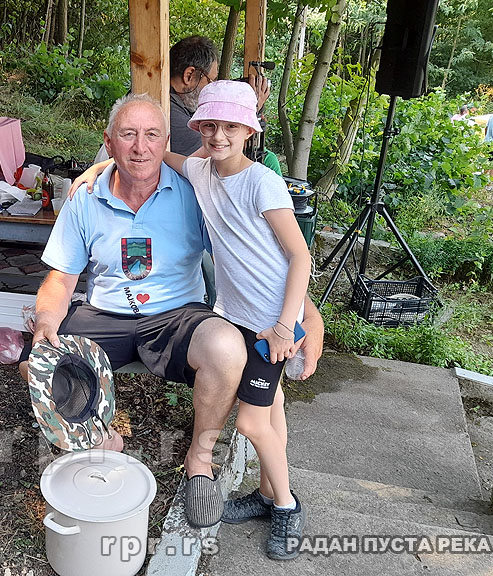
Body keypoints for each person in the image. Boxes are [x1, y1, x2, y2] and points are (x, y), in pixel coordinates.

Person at [71, 83, 310, 559]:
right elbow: (150, 157)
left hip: (269, 324)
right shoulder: (202, 171)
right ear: (198, 127)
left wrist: (291, 323)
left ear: (249, 131)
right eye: (211, 126)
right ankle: (267, 495)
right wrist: (100, 166)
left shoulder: (262, 181)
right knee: (272, 406)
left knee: (251, 421)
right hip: (237, 316)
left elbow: (299, 255)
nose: (220, 135)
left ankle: (287, 505)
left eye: (231, 127)